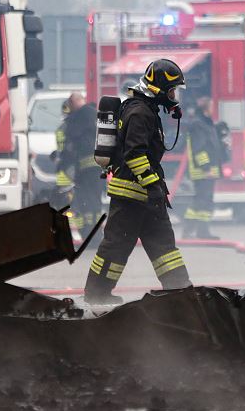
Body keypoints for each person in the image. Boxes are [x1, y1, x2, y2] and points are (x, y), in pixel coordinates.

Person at [82, 58, 192, 305]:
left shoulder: (145, 109)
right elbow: (135, 154)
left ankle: (181, 294)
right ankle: (96, 294)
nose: (174, 96)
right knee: (115, 247)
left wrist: (153, 190)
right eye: (172, 90)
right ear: (159, 88)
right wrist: (151, 185)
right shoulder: (140, 112)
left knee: (164, 248)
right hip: (131, 195)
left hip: (147, 196)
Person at [179, 93, 229, 240]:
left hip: (209, 170)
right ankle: (189, 230)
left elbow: (210, 146)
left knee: (205, 201)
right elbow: (199, 149)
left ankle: (203, 231)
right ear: (206, 108)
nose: (214, 108)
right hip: (202, 171)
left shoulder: (206, 124)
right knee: (200, 201)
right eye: (212, 106)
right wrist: (206, 168)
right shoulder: (198, 125)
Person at [53, 92, 102, 234]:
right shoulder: (94, 114)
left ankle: (89, 231)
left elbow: (72, 141)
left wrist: (64, 161)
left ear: (73, 103)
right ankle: (94, 231)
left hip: (86, 168)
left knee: (86, 200)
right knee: (94, 200)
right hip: (99, 167)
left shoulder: (79, 116)